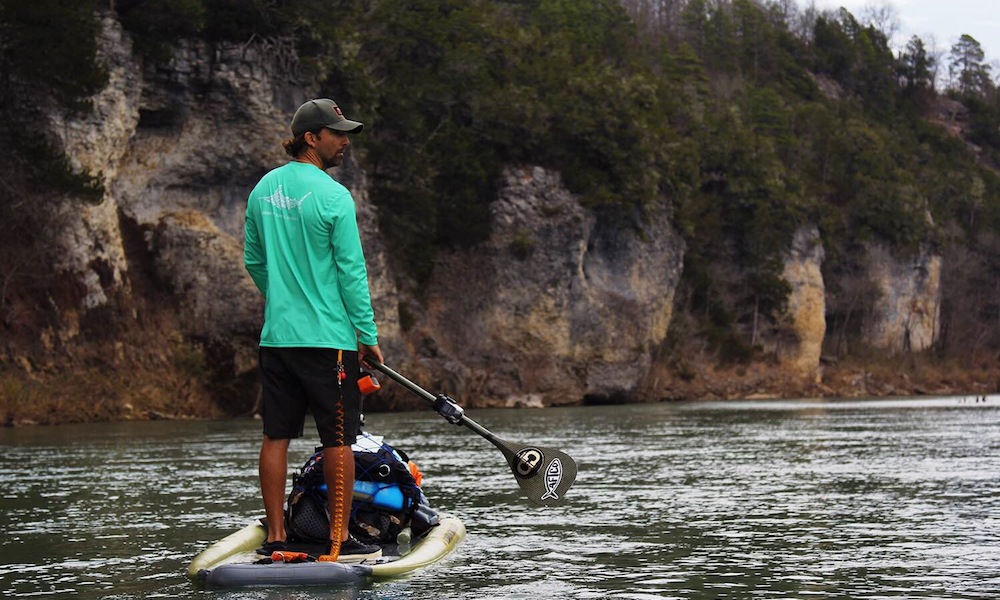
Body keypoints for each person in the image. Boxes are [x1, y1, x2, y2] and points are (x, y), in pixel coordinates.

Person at [244, 98, 385, 561]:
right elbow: (351, 272)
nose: (345, 142)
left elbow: (254, 260)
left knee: (276, 435)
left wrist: (285, 299)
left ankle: (276, 538)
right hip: (329, 343)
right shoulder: (333, 196)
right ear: (311, 138)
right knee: (338, 439)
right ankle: (339, 540)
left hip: (278, 339)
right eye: (337, 133)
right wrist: (367, 336)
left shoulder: (263, 190)